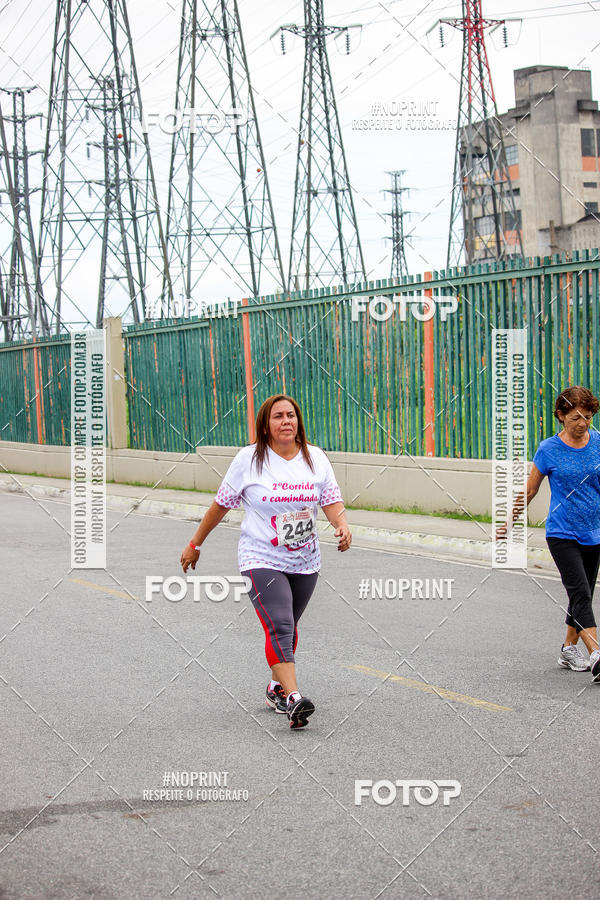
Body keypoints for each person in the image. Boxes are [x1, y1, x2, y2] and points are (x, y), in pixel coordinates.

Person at [180, 394, 352, 728]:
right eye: (278, 416)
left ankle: (276, 687)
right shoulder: (250, 460)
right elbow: (221, 505)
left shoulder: (315, 458)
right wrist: (194, 543)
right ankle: (293, 698)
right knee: (280, 624)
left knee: (287, 627)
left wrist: (342, 526)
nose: (286, 421)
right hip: (260, 556)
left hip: (305, 559)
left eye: (291, 415)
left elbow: (331, 500)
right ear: (266, 424)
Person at [510, 386, 600, 679]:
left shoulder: (598, 442)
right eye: (575, 417)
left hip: (594, 532)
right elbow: (531, 488)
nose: (582, 423)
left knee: (581, 594)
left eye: (587, 417)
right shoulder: (549, 449)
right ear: (561, 416)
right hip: (562, 533)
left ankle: (568, 650)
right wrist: (510, 520)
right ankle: (597, 653)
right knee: (580, 594)